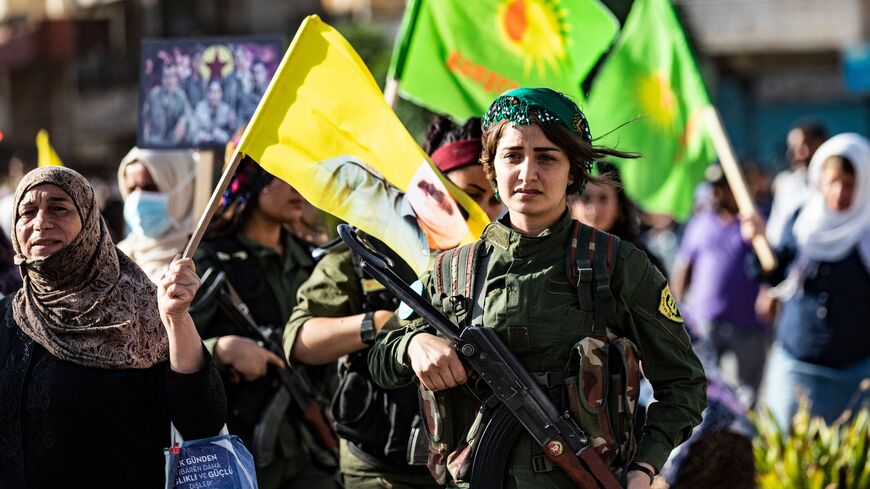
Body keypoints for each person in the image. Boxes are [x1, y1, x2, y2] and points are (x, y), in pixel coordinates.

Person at [368, 88, 707, 489]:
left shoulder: (617, 265)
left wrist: (643, 469)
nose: (528, 174)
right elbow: (381, 359)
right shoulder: (452, 269)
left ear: (573, 171)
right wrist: (413, 347)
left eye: (547, 157)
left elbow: (683, 385)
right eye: (512, 156)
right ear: (491, 167)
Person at [284, 116, 500, 489]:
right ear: (432, 186)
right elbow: (300, 341)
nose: (481, 211)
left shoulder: (496, 261)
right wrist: (381, 324)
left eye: (492, 199)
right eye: (468, 195)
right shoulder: (370, 251)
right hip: (380, 467)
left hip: (469, 466)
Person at [0, 166, 225, 488]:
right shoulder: (8, 316)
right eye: (27, 212)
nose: (41, 223)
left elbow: (201, 421)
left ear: (90, 221)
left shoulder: (143, 312)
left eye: (59, 208)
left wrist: (177, 320)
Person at [189, 157, 332, 488]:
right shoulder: (209, 260)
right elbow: (163, 348)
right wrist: (221, 350)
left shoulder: (313, 259)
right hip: (238, 450)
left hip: (311, 448)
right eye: (281, 174)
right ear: (251, 181)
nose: (297, 185)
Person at [742, 133, 870, 428]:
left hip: (858, 373)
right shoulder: (803, 222)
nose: (839, 193)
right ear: (819, 181)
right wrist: (758, 241)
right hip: (798, 366)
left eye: (849, 185)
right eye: (832, 182)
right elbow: (776, 274)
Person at [670, 165, 769, 407]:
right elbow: (685, 267)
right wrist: (674, 308)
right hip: (706, 323)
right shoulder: (700, 223)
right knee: (703, 386)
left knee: (745, 394)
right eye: (712, 188)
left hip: (748, 325)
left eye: (721, 188)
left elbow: (770, 266)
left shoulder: (755, 223)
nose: (715, 194)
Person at [569, 160, 668, 275]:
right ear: (571, 205)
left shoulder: (639, 260)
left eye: (603, 198)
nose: (594, 209)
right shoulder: (556, 252)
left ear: (618, 207)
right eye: (586, 198)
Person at [117, 146, 197, 283]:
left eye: (150, 187)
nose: (138, 198)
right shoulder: (114, 259)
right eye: (131, 189)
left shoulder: (203, 260)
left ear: (183, 190)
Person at [766, 120, 827, 247]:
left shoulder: (834, 186)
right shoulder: (786, 185)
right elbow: (776, 233)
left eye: (800, 147)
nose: (794, 154)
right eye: (791, 148)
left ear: (821, 143)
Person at [143, 64, 195, 147]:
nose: (169, 81)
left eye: (172, 77)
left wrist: (183, 121)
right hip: (155, 141)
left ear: (177, 80)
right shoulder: (153, 96)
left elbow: (189, 114)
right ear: (162, 79)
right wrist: (144, 143)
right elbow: (145, 120)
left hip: (174, 142)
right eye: (166, 77)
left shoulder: (181, 96)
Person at [194, 79, 238, 147]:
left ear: (221, 94)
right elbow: (194, 134)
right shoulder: (200, 108)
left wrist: (219, 134)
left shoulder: (226, 110)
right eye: (212, 91)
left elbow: (231, 137)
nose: (214, 95)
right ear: (207, 94)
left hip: (221, 149)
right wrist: (203, 136)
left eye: (217, 91)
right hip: (202, 148)